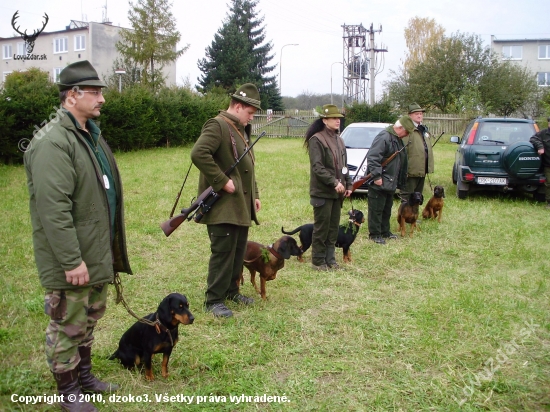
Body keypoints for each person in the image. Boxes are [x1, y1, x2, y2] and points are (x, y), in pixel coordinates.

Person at [24, 60, 132, 412]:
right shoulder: (52, 142)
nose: (102, 98)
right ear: (72, 95)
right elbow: (53, 210)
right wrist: (72, 260)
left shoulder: (90, 135)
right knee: (68, 323)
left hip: (96, 250)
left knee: (89, 316)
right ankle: (68, 390)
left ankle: (84, 376)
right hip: (73, 257)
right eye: (95, 91)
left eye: (101, 91)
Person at [190, 83, 261, 318]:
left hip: (240, 204)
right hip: (224, 205)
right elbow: (199, 153)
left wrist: (256, 195)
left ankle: (231, 290)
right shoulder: (218, 125)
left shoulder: (238, 128)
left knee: (237, 249)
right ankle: (214, 300)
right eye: (249, 113)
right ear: (238, 106)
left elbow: (247, 165)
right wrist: (221, 180)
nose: (251, 118)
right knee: (223, 251)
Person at [304, 104, 352, 270]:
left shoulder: (340, 140)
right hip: (322, 193)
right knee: (321, 228)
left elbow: (345, 166)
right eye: (334, 118)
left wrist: (349, 184)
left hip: (337, 194)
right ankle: (318, 261)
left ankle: (330, 260)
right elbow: (317, 167)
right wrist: (334, 182)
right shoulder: (316, 139)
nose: (338, 121)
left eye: (339, 118)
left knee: (333, 228)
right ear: (324, 120)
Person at [366, 116, 414, 244]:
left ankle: (385, 231)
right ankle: (375, 234)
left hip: (390, 181)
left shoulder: (397, 138)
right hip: (380, 180)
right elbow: (373, 157)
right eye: (407, 132)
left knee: (387, 208)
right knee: (376, 209)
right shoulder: (384, 137)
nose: (407, 135)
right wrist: (376, 177)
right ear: (399, 128)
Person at [402, 103, 434, 197]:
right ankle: (406, 212)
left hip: (422, 170)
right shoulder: (408, 129)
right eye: (416, 114)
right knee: (407, 197)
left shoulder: (423, 129)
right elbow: (403, 151)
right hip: (411, 171)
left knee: (418, 197)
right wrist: (404, 170)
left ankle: (415, 212)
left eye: (420, 113)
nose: (419, 115)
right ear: (410, 115)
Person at [530, 117, 550, 208]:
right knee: (548, 184)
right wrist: (540, 146)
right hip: (548, 164)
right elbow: (533, 138)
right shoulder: (543, 134)